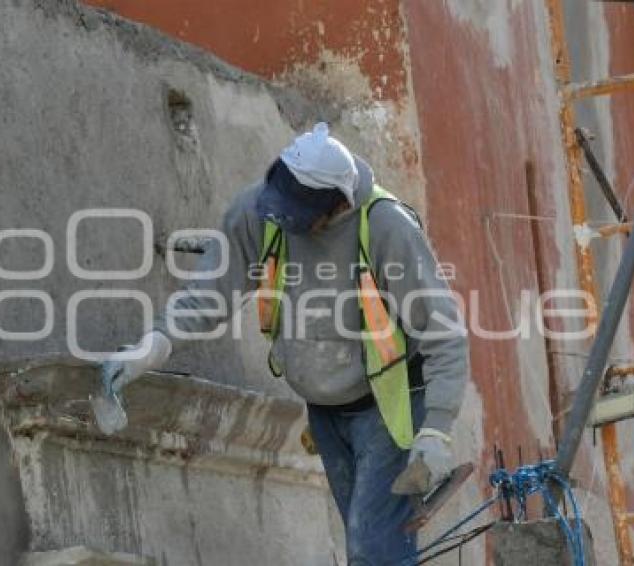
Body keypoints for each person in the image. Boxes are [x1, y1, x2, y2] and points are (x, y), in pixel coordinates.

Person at [102, 122, 470, 565]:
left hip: (388, 405)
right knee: (368, 545)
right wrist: (154, 345)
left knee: (372, 548)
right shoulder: (259, 211)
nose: (284, 219)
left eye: (300, 213)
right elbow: (209, 292)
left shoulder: (384, 225)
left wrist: (436, 430)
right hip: (326, 409)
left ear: (338, 204)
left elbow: (443, 331)